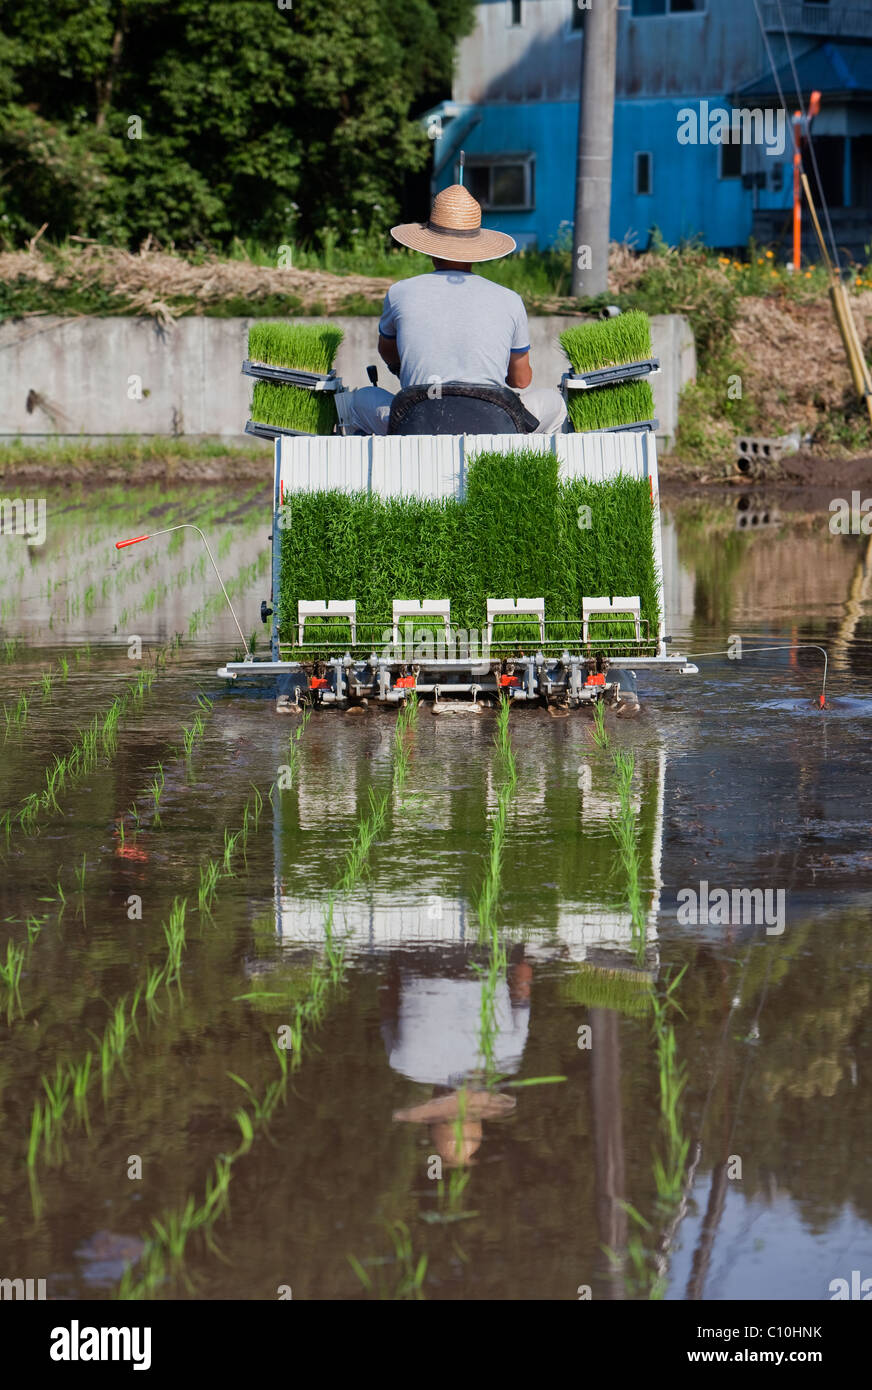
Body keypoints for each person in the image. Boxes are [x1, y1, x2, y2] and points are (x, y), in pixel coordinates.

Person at [347, 184, 567, 436]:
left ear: (429, 248)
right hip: (496, 424)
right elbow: (520, 381)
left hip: (414, 422)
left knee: (361, 399)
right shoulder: (510, 299)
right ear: (476, 250)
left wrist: (408, 368)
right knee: (555, 404)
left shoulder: (400, 292)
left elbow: (387, 353)